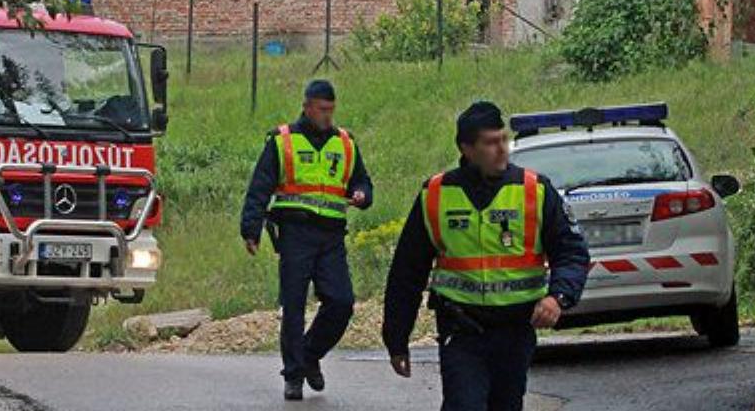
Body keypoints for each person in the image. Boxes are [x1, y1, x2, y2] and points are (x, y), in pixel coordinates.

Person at [382, 101, 589, 411]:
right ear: (467, 148)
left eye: (503, 139)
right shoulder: (436, 194)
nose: (502, 149)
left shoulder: (535, 190)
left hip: (516, 330)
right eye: (491, 143)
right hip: (461, 330)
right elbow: (407, 273)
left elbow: (572, 252)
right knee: (464, 404)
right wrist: (397, 339)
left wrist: (557, 297)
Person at [241, 79, 374, 401]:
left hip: (331, 236)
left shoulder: (345, 143)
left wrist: (361, 195)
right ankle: (294, 376)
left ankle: (310, 354)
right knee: (294, 306)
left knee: (341, 302)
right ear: (307, 106)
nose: (327, 116)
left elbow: (363, 182)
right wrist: (251, 227)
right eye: (322, 109)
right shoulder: (282, 141)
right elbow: (260, 186)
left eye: (332, 110)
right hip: (295, 235)